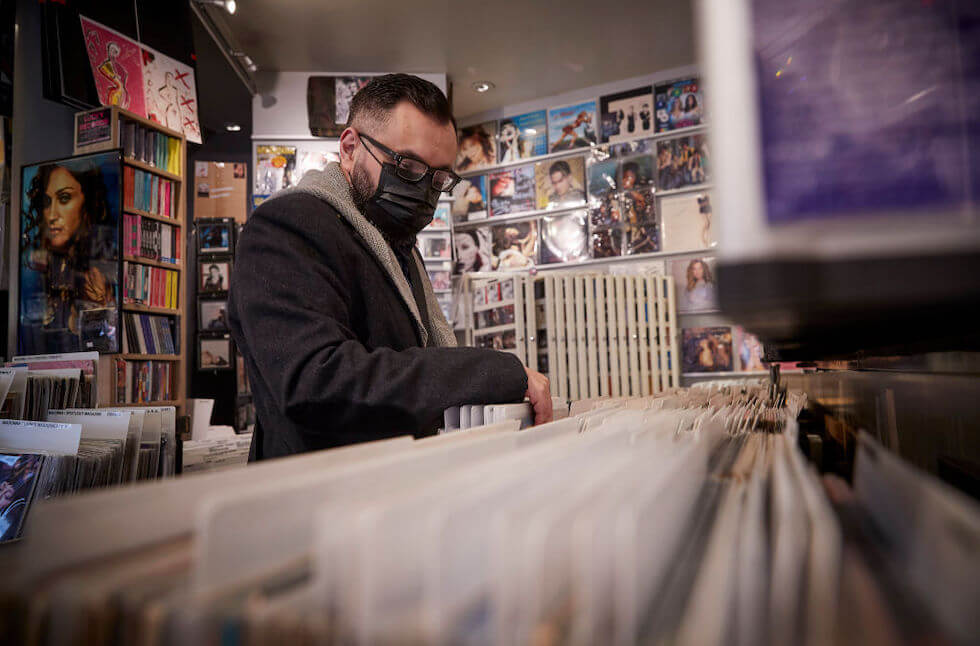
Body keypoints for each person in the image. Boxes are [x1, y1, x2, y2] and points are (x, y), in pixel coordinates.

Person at [229, 74, 551, 461]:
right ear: (350, 148)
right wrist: (494, 371)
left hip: (396, 483)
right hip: (319, 490)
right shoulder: (286, 225)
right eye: (408, 167)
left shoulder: (396, 245)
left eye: (439, 177)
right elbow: (318, 385)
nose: (424, 190)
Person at [21, 163, 116, 353]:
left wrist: (98, 307)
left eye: (64, 198)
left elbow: (106, 344)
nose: (52, 215)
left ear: (87, 202)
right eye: (47, 202)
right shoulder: (46, 269)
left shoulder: (96, 271)